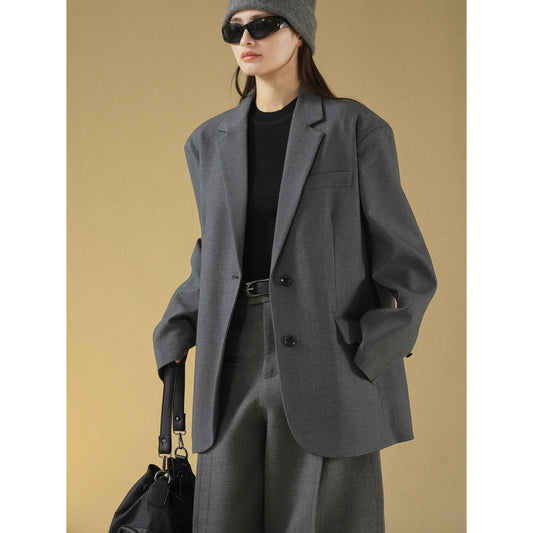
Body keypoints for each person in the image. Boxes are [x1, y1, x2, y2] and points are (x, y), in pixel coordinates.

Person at [153, 1, 437, 531]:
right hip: (229, 356)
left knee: (324, 519)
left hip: (330, 357)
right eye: (234, 29)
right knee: (222, 517)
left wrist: (370, 351)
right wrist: (175, 330)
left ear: (300, 33)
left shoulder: (355, 128)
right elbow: (216, 254)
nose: (246, 39)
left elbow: (408, 263)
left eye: (262, 24)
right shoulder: (207, 143)